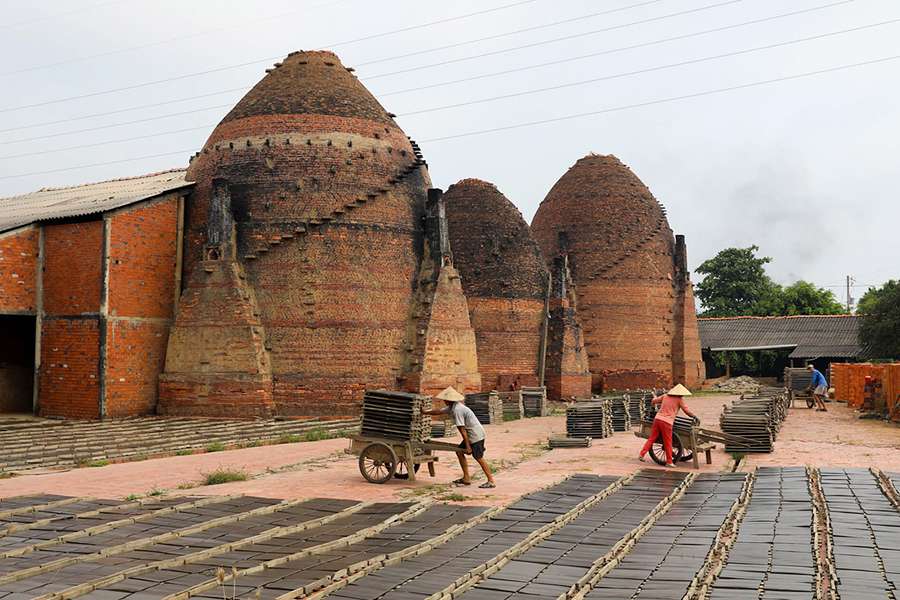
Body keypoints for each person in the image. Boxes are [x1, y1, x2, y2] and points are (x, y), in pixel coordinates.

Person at [422, 387, 496, 488]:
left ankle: (491, 480)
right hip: (474, 433)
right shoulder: (452, 406)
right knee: (459, 451)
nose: (443, 401)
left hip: (474, 434)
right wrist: (425, 412)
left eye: (445, 399)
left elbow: (462, 430)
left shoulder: (457, 410)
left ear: (449, 400)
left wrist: (468, 446)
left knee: (478, 457)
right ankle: (466, 478)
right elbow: (438, 411)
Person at [638, 384, 699, 468]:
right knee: (668, 442)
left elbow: (653, 401)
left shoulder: (665, 396)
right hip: (667, 422)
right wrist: (694, 416)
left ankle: (641, 454)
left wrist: (653, 404)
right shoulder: (679, 399)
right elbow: (686, 411)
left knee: (652, 438)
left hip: (657, 419)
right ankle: (669, 462)